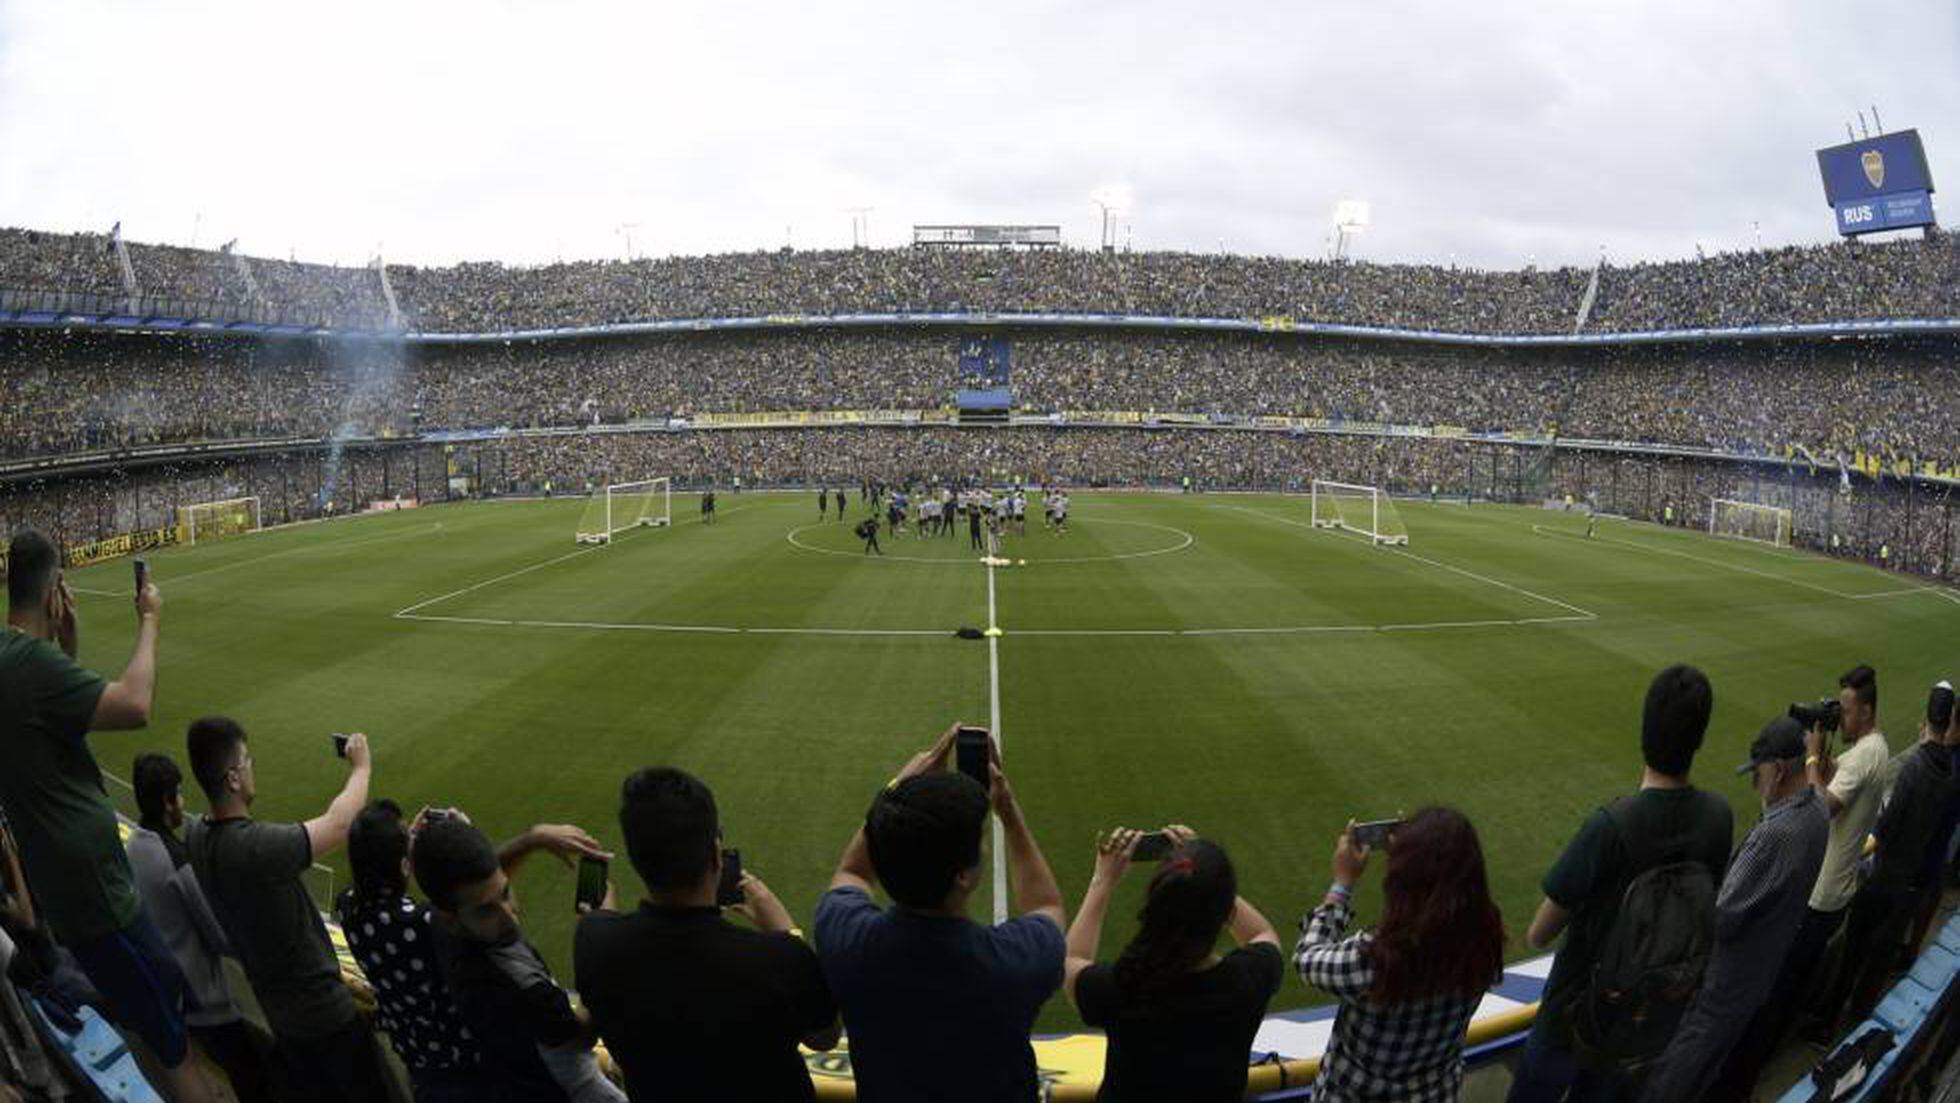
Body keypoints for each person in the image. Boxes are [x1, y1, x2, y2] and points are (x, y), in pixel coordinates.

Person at [0, 531, 214, 1103]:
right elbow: (133, 705)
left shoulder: (13, 659)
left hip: (69, 888)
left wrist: (64, 647)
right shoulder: (28, 663)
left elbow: (45, 730)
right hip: (96, 895)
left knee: (149, 1017)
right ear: (55, 591)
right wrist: (149, 619)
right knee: (169, 1039)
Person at [1507, 664, 1733, 1102]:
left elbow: (1538, 933)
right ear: (1699, 738)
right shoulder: (1717, 818)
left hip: (1574, 1016)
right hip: (1644, 1017)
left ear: (1645, 728)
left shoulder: (1612, 825)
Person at [814, 726, 1066, 1103]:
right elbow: (1047, 907)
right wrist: (1009, 813)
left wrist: (896, 791)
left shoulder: (847, 938)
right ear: (963, 875)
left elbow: (851, 872)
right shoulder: (1015, 962)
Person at [575, 768, 838, 1101]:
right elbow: (825, 1036)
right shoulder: (781, 958)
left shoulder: (595, 941)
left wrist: (599, 918)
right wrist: (786, 928)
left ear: (635, 857)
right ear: (716, 853)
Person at [184, 717, 392, 1102]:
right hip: (324, 1015)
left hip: (280, 1015)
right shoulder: (256, 849)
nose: (252, 769)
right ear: (232, 778)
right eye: (247, 762)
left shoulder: (195, 835)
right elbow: (340, 824)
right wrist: (362, 767)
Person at [1642, 718, 1830, 1103]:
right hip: (1757, 978)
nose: (1753, 783)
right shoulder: (1818, 811)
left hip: (1723, 985)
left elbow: (1721, 917)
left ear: (1778, 771)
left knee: (1673, 1078)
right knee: (1706, 1070)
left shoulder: (1774, 835)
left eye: (1757, 773)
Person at [411, 812, 624, 1103]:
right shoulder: (523, 987)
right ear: (452, 918)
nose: (509, 916)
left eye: (506, 892)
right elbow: (583, 1035)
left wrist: (531, 840)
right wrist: (597, 940)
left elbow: (485, 883)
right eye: (488, 910)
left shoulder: (443, 922)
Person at [1298, 809, 1506, 1103]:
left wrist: (1342, 884)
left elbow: (1307, 958)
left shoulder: (1373, 959)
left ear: (1403, 879)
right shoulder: (1486, 936)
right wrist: (1415, 854)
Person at [1063, 825, 1282, 1102]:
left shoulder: (1121, 987)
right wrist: (1207, 880)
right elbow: (1262, 934)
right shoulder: (1248, 980)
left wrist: (1102, 881)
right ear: (1225, 910)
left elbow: (1071, 961)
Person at [127, 754, 276, 1102]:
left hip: (172, 987)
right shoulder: (175, 859)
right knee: (251, 1074)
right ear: (166, 801)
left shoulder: (135, 842)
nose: (182, 803)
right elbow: (220, 937)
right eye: (178, 794)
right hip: (203, 996)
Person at [1811, 680, 1956, 1037]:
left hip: (1887, 874)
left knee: (1854, 953)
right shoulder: (1947, 769)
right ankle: (1858, 1017)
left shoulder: (1917, 767)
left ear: (1928, 717)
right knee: (1879, 957)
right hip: (1913, 875)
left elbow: (1887, 826)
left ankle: (1826, 1025)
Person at [337, 800, 489, 1103]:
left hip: (415, 1053)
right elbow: (485, 910)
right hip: (462, 1060)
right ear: (405, 865)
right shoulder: (424, 923)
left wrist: (407, 846)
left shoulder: (347, 906)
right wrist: (467, 837)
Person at [1774, 665, 1891, 1045]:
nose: (1840, 716)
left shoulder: (1864, 756)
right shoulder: (1873, 749)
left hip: (1824, 892)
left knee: (1790, 975)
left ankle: (1774, 1037)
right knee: (1799, 970)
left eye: (1846, 708)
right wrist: (1824, 763)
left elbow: (1822, 805)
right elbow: (1837, 782)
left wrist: (1810, 759)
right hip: (1837, 883)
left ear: (1867, 712)